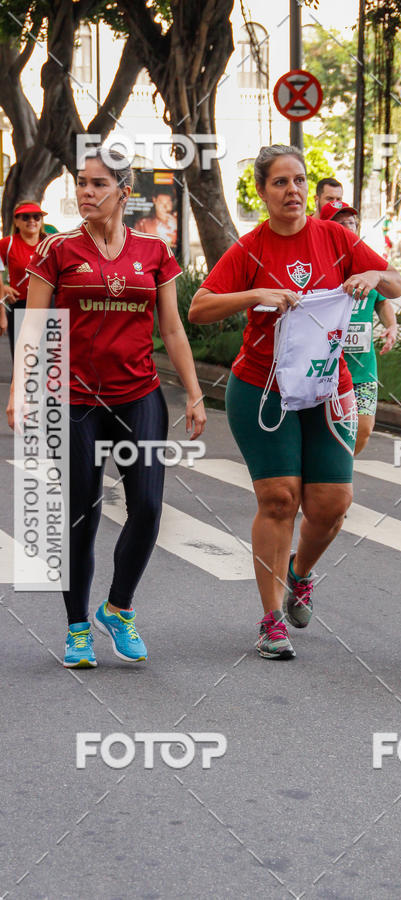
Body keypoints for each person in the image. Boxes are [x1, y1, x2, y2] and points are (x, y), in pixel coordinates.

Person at [189, 144, 401, 660]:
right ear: (263, 193)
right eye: (280, 182)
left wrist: (373, 277)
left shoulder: (336, 238)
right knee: (280, 499)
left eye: (300, 181)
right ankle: (270, 619)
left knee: (331, 506)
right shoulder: (249, 249)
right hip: (263, 389)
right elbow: (199, 307)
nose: (293, 191)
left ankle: (300, 573)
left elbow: (395, 283)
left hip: (330, 388)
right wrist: (254, 295)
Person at [6, 147, 206, 669]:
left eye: (98, 184)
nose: (86, 192)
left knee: (148, 507)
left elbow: (171, 328)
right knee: (81, 515)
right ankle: (77, 630)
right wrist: (20, 390)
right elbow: (34, 325)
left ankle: (118, 608)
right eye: (81, 182)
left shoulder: (154, 251)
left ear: (124, 189)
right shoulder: (57, 249)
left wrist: (195, 391)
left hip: (138, 394)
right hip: (74, 398)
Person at [319, 200, 400, 454]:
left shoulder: (369, 266)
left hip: (363, 368)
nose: (346, 228)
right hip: (324, 368)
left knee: (363, 428)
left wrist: (392, 327)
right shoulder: (322, 267)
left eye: (350, 223)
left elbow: (383, 301)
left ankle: (338, 472)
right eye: (339, 223)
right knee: (326, 430)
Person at [0, 201, 47, 359]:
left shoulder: (51, 244)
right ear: (16, 221)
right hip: (21, 306)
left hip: (50, 306)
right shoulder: (7, 244)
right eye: (26, 217)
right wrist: (4, 288)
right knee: (24, 362)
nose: (32, 221)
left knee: (51, 363)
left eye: (36, 216)